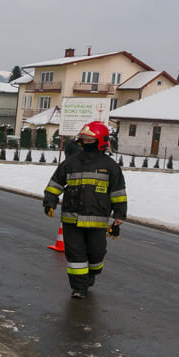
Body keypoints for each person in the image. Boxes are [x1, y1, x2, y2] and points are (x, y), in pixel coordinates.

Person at [43, 121, 127, 299]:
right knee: (75, 254)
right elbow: (56, 182)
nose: (86, 143)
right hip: (71, 219)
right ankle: (79, 288)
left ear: (101, 141)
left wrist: (119, 216)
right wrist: (50, 201)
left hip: (97, 220)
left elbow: (118, 193)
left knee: (96, 254)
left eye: (90, 140)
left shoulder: (111, 166)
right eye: (84, 140)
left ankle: (91, 275)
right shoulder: (71, 163)